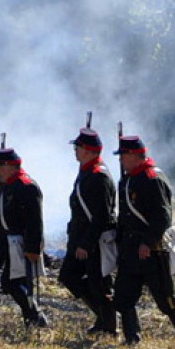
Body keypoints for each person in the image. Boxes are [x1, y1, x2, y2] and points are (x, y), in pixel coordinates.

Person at [113, 134, 175, 347]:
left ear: (134, 155)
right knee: (123, 297)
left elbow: (162, 217)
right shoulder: (128, 179)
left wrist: (148, 243)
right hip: (130, 249)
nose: (121, 159)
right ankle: (132, 338)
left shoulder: (152, 179)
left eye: (123, 155)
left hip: (152, 251)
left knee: (167, 299)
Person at [58, 126, 118, 336]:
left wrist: (86, 243)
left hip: (94, 240)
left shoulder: (98, 176)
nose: (75, 150)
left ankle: (109, 323)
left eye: (79, 147)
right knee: (69, 276)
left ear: (90, 151)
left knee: (99, 283)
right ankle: (102, 316)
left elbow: (100, 216)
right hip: (80, 237)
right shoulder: (86, 171)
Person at [0, 147, 49, 328]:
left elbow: (34, 221)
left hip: (22, 243)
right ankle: (32, 317)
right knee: (11, 283)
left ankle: (35, 316)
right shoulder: (9, 185)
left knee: (14, 283)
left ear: (9, 166)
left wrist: (32, 248)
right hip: (9, 242)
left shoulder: (26, 186)